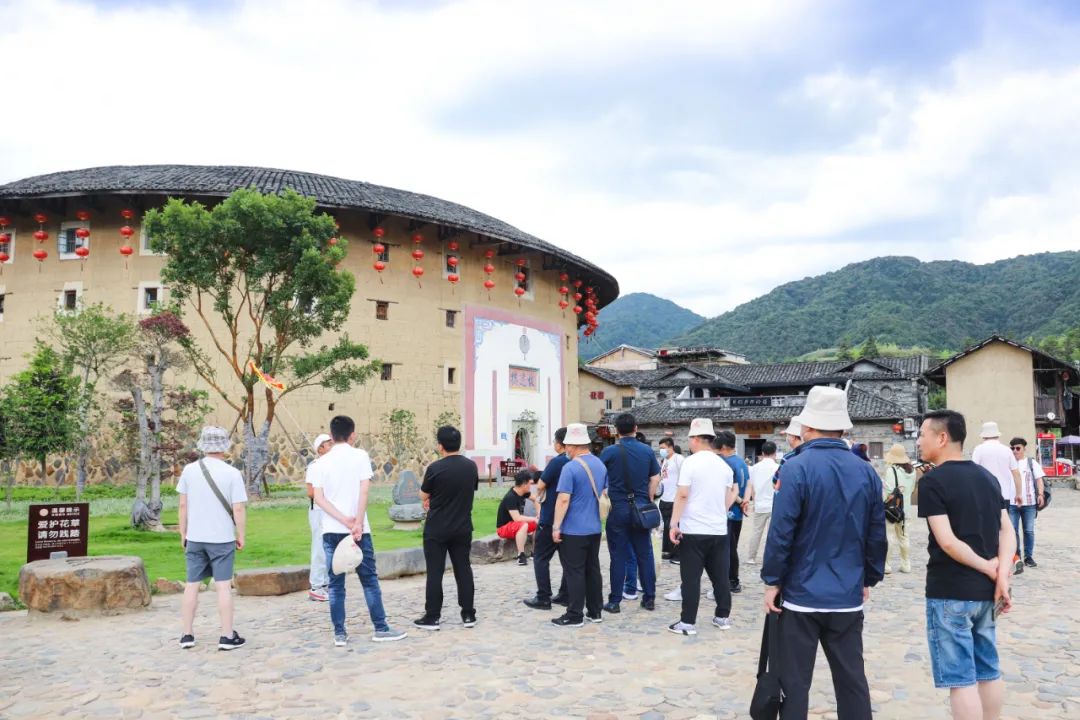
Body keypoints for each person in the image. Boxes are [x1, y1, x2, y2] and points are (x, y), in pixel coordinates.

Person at [761, 386, 887, 719]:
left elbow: (781, 532)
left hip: (801, 593)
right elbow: (876, 534)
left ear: (808, 426)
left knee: (794, 681)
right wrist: (868, 577)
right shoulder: (866, 471)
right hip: (847, 593)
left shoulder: (796, 467)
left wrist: (773, 580)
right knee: (851, 679)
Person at [916, 410, 1014, 720]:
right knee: (988, 670)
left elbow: (947, 542)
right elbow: (1007, 531)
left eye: (922, 434)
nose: (918, 441)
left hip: (951, 591)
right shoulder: (988, 478)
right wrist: (1001, 575)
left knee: (960, 679)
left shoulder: (932, 482)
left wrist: (989, 568)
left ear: (942, 438)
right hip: (986, 594)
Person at [311, 415, 407, 645]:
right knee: (369, 580)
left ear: (331, 436)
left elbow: (319, 498)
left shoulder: (320, 463)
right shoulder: (360, 456)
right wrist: (356, 522)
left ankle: (339, 633)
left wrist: (343, 520)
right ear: (352, 435)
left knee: (335, 584)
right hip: (359, 529)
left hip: (332, 529)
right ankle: (380, 627)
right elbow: (364, 491)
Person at [177, 426, 248, 650]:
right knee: (223, 587)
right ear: (224, 447)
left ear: (203, 446)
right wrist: (241, 534)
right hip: (222, 538)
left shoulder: (189, 470)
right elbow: (238, 508)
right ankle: (226, 635)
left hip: (196, 536)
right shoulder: (232, 473)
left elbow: (183, 505)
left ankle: (187, 634)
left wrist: (183, 532)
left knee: (191, 585)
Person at [667, 418, 735, 635]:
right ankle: (722, 617)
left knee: (691, 578)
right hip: (718, 530)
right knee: (720, 577)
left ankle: (688, 622)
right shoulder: (724, 466)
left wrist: (674, 523)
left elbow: (683, 494)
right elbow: (728, 497)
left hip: (693, 529)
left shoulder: (691, 463)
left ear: (695, 438)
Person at [415, 425, 477, 631]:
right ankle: (468, 614)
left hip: (437, 527)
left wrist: (432, 496)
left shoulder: (435, 468)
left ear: (440, 446)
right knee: (463, 569)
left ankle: (432, 616)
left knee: (435, 572)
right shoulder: (471, 467)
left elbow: (423, 495)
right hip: (462, 526)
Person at [599, 413, 661, 613]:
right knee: (645, 554)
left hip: (618, 508)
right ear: (636, 428)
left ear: (616, 431)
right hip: (641, 509)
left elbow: (599, 477)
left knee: (618, 556)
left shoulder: (609, 452)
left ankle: (615, 601)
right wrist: (648, 497)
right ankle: (649, 598)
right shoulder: (647, 451)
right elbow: (655, 478)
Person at [551, 423, 609, 627]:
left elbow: (563, 499)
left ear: (574, 446)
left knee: (574, 572)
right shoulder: (600, 464)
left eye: (567, 445)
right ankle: (595, 610)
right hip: (594, 527)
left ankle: (574, 614)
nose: (566, 449)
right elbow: (604, 492)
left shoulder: (570, 467)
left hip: (573, 529)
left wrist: (556, 526)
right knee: (592, 570)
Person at [524, 428, 570, 610]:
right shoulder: (577, 461)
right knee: (567, 560)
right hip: (569, 518)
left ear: (559, 444)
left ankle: (543, 596)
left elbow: (541, 484)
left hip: (551, 516)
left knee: (540, 557)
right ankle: (566, 594)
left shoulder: (557, 462)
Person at [971, 422, 1023, 574]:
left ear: (984, 436)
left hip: (984, 495)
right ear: (997, 434)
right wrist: (1018, 494)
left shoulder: (979, 449)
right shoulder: (1006, 450)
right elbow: (1016, 473)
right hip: (1004, 495)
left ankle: (990, 558)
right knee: (1005, 529)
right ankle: (1014, 557)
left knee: (986, 528)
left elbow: (974, 472)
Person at [714, 431, 748, 594]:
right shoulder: (741, 462)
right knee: (732, 548)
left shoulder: (725, 463)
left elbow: (729, 490)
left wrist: (740, 501)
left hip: (729, 511)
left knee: (728, 550)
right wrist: (745, 501)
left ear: (722, 446)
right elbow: (748, 484)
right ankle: (732, 580)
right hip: (737, 514)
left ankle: (732, 581)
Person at [304, 433, 333, 602]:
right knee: (319, 547)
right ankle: (316, 586)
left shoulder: (331, 465)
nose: (332, 446)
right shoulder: (315, 467)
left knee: (329, 546)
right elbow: (310, 492)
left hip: (330, 510)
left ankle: (326, 582)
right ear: (320, 449)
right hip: (319, 510)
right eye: (328, 444)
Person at [1009, 436, 1046, 568]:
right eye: (1012, 448)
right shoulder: (1008, 463)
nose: (1015, 451)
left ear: (1024, 449)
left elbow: (1039, 480)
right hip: (1012, 503)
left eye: (1018, 448)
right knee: (1013, 531)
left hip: (1029, 503)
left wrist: (1040, 494)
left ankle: (1028, 557)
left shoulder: (1031, 463)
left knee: (1029, 531)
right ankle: (1016, 556)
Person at [881, 444, 916, 574]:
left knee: (889, 536)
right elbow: (911, 490)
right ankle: (906, 564)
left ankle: (886, 565)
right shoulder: (912, 471)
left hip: (892, 509)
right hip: (905, 510)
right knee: (904, 537)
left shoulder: (892, 470)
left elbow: (889, 491)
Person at [744, 440, 778, 565]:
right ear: (775, 453)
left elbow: (751, 487)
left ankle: (751, 557)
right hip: (774, 504)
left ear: (762, 453)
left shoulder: (754, 468)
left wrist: (754, 502)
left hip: (760, 504)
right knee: (772, 533)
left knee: (756, 531)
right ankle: (770, 557)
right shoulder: (778, 468)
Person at [497, 470, 539, 565]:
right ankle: (521, 556)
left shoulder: (523, 492)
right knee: (523, 525)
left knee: (538, 523)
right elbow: (517, 518)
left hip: (515, 525)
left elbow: (535, 499)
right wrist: (534, 518)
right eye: (530, 483)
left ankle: (534, 553)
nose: (531, 486)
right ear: (524, 484)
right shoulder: (510, 497)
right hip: (503, 528)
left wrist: (539, 514)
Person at [657, 437, 684, 564]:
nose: (661, 451)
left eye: (663, 448)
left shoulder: (679, 459)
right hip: (664, 498)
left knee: (675, 526)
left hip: (674, 498)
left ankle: (678, 555)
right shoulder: (665, 461)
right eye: (660, 448)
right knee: (666, 526)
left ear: (671, 447)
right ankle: (667, 551)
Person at [773, 419, 803, 489]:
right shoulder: (812, 454)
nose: (787, 438)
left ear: (793, 437)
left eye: (788, 435)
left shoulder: (788, 458)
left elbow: (775, 482)